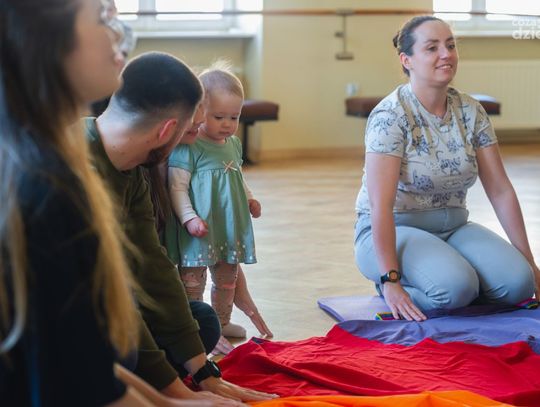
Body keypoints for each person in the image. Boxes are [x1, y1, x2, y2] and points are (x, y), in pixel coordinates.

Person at [0, 0, 211, 405]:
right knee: (131, 338)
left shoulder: (41, 160)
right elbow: (85, 371)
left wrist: (182, 392)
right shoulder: (50, 186)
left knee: (196, 322)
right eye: (102, 18)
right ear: (52, 39)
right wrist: (176, 396)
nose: (118, 34)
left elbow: (85, 349)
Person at [88, 52, 275, 404]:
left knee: (201, 320)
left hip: (117, 305)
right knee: (115, 344)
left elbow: (154, 268)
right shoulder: (77, 173)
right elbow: (107, 300)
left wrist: (204, 374)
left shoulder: (131, 168)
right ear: (167, 131)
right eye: (191, 131)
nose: (194, 139)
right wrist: (175, 395)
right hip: (69, 320)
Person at [353, 15, 540, 322]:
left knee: (519, 283)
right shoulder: (390, 116)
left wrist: (531, 264)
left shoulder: (471, 110)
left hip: (454, 227)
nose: (446, 54)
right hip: (395, 229)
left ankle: (454, 277)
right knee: (455, 289)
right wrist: (390, 279)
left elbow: (500, 190)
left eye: (450, 46)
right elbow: (380, 206)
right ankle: (401, 286)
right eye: (432, 48)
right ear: (407, 60)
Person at [164, 63, 272, 347]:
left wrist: (249, 198)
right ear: (200, 112)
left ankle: (221, 322)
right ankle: (197, 326)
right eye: (219, 116)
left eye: (234, 117)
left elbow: (237, 175)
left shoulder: (232, 144)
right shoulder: (189, 146)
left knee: (227, 279)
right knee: (193, 281)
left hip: (228, 225)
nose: (227, 124)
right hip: (199, 228)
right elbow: (177, 187)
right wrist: (189, 218)